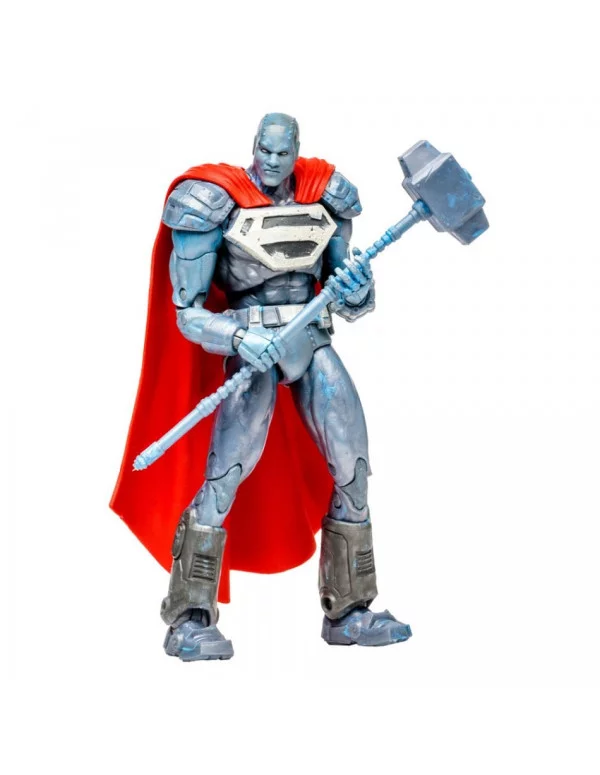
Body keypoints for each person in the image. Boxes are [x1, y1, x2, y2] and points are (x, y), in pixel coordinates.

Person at [111, 112, 411, 661]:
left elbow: (349, 296)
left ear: (296, 151)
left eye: (282, 153)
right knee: (226, 474)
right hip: (252, 346)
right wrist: (238, 338)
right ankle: (189, 616)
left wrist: (358, 287)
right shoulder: (212, 201)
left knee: (353, 464)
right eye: (264, 151)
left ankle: (348, 609)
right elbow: (187, 313)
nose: (272, 162)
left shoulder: (325, 195)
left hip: (311, 340)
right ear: (254, 147)